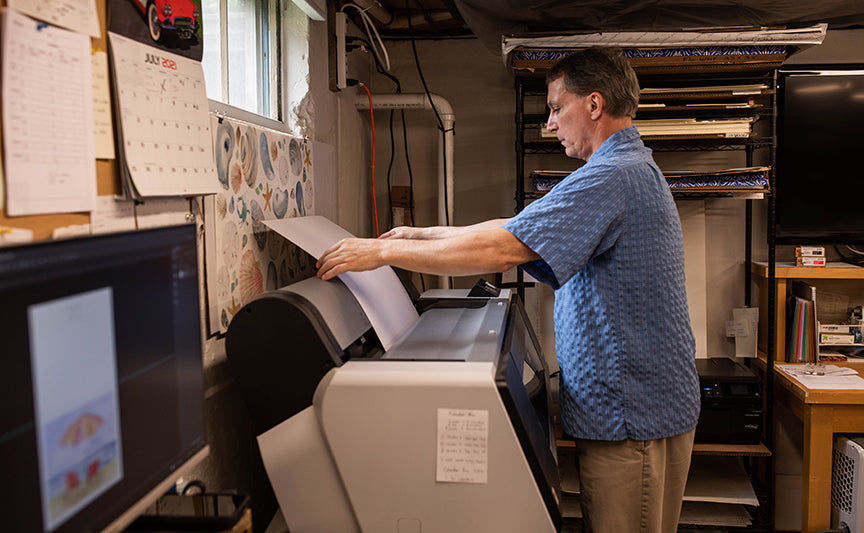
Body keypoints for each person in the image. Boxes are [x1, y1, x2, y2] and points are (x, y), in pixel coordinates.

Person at [316, 47, 700, 533]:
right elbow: (515, 227)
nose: (551, 124)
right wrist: (417, 235)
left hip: (633, 419)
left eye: (557, 108)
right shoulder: (622, 169)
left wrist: (384, 255)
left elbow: (503, 250)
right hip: (632, 409)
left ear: (595, 105)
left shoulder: (611, 176)